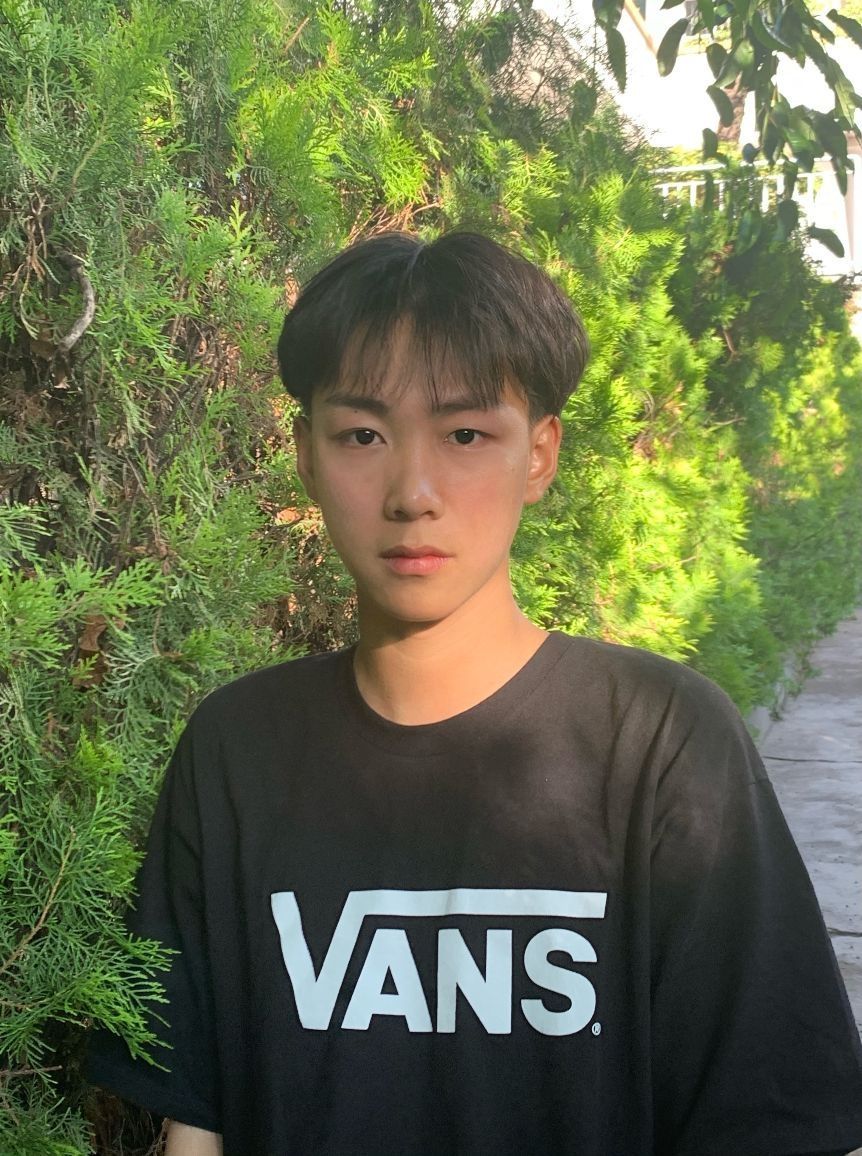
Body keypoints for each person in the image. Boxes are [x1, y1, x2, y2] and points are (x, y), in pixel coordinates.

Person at [87, 230, 862, 1156]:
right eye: (363, 435)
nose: (413, 492)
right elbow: (197, 1120)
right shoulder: (237, 748)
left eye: (465, 435)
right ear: (306, 454)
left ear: (539, 454)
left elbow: (770, 1119)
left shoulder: (659, 743)